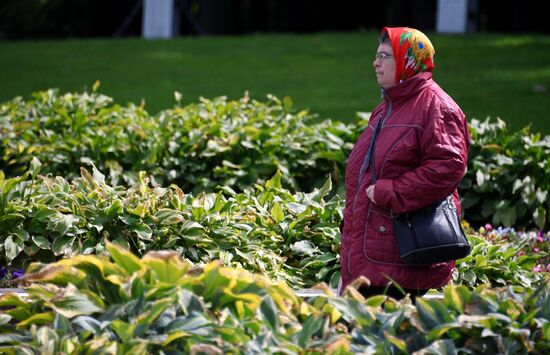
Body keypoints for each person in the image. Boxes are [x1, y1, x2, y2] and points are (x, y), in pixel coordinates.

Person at [339, 27, 470, 301]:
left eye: (385, 56)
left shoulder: (436, 107)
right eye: (376, 56)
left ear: (408, 60)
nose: (376, 63)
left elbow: (448, 167)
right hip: (375, 254)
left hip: (401, 258)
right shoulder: (391, 105)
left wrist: (393, 191)